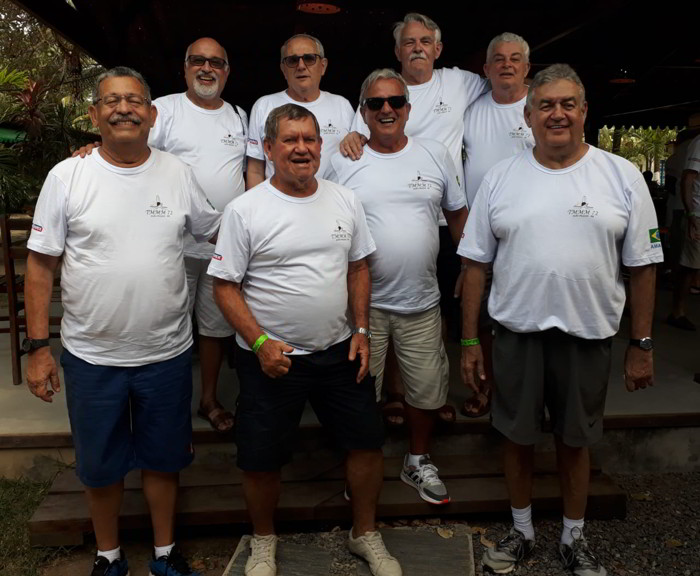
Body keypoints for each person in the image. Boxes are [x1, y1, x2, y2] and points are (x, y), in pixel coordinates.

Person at [459, 64, 663, 576]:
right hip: (516, 333)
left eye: (567, 104)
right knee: (517, 438)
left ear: (584, 111)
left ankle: (574, 537)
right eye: (546, 105)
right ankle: (522, 530)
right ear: (527, 116)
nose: (557, 114)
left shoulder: (621, 175)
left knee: (576, 440)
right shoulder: (501, 178)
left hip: (586, 334)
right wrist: (469, 341)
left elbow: (643, 266)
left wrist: (641, 343)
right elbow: (474, 264)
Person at [25, 67, 221, 576]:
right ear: (94, 115)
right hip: (93, 357)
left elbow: (217, 232)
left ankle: (164, 554)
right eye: (111, 101)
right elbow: (41, 265)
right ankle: (108, 557)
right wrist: (39, 347)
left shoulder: (177, 173)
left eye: (134, 100)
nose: (123, 109)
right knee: (100, 466)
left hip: (166, 353)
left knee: (164, 460)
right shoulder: (68, 176)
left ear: (151, 115)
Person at [209, 103, 401, 576]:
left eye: (309, 139)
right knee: (261, 457)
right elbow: (224, 286)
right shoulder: (246, 210)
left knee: (366, 443)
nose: (301, 149)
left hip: (339, 348)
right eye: (290, 140)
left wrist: (362, 330)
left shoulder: (344, 199)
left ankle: (365, 533)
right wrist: (259, 343)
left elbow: (358, 267)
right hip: (271, 356)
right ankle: (263, 541)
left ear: (320, 145)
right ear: (269, 148)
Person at [72, 37, 246, 432]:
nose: (207, 68)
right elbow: (124, 146)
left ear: (227, 71)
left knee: (214, 329)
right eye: (198, 60)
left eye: (216, 62)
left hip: (220, 245)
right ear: (184, 68)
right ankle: (162, 408)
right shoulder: (161, 110)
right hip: (169, 246)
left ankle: (208, 400)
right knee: (166, 327)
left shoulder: (239, 115)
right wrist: (92, 149)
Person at [326, 69, 467, 505]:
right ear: (363, 111)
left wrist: (468, 265)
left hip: (421, 300)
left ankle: (417, 460)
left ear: (408, 108)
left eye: (395, 102)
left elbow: (457, 213)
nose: (386, 109)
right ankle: (361, 465)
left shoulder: (435, 153)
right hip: (361, 307)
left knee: (426, 390)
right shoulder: (342, 160)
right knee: (358, 393)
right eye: (375, 103)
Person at [339, 13, 489, 425]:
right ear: (397, 50)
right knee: (381, 313)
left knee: (433, 312)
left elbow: (504, 83)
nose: (417, 47)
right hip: (387, 223)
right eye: (409, 42)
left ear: (438, 49)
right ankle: (394, 395)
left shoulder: (460, 82)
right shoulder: (373, 96)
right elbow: (355, 142)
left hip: (438, 217)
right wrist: (349, 138)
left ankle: (429, 394)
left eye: (425, 41)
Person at [459, 32, 535, 418]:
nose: (507, 64)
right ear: (486, 69)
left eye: (515, 58)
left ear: (527, 67)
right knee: (483, 318)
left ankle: (528, 393)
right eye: (499, 59)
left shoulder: (541, 108)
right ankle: (487, 387)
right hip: (482, 235)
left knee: (527, 319)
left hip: (531, 236)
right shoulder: (471, 110)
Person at [245, 33, 353, 188]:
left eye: (309, 58)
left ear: (323, 66)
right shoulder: (264, 105)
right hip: (278, 201)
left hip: (330, 201)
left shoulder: (342, 105)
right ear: (283, 69)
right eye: (292, 60)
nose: (301, 66)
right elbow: (255, 170)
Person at [668, 133, 700, 330]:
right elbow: (687, 178)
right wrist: (691, 214)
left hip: (690, 212)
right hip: (695, 213)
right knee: (689, 265)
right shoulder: (698, 143)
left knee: (691, 264)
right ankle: (677, 311)